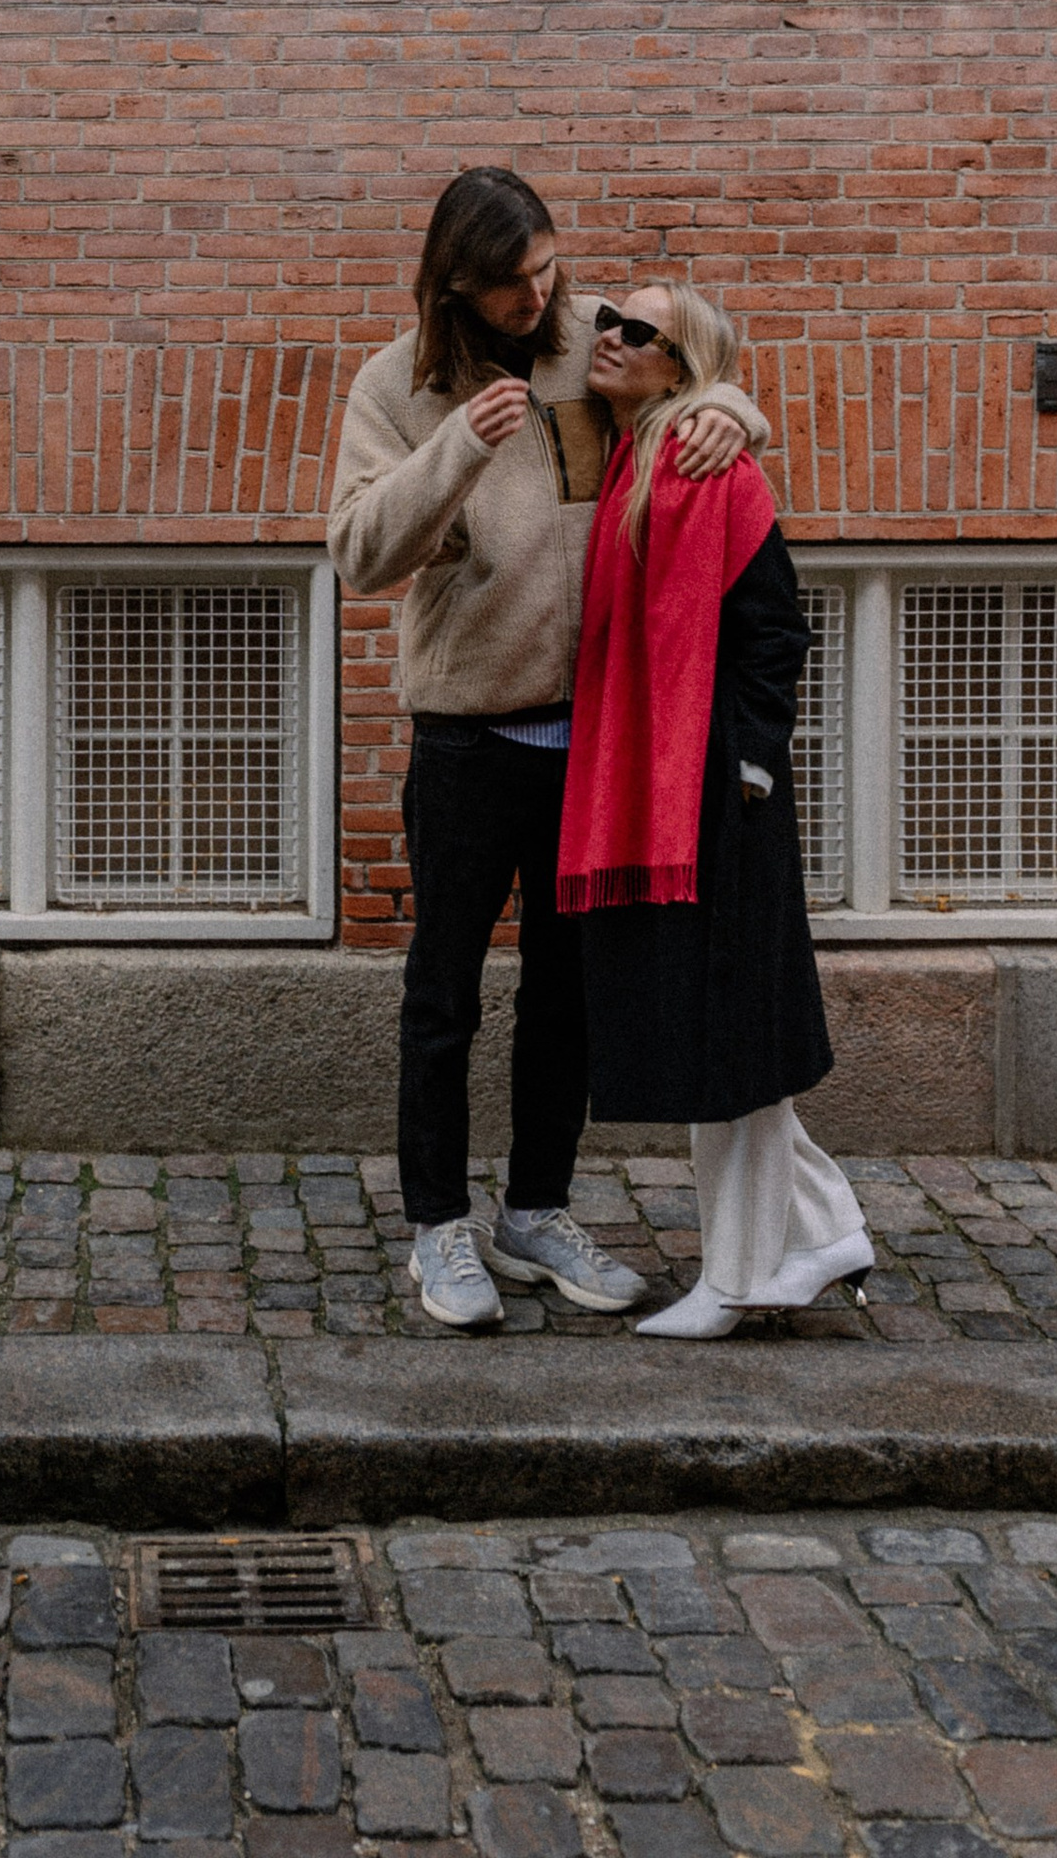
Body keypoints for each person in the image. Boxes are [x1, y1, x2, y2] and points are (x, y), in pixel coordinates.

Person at [328, 168, 770, 1332]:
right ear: (456, 284)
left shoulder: (588, 348)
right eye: (512, 283)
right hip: (469, 740)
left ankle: (535, 1209)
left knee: (564, 995)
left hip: (590, 745)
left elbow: (696, 373)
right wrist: (452, 451)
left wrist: (738, 412)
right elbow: (359, 552)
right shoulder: (396, 384)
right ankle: (439, 1225)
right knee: (444, 994)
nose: (539, 296)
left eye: (545, 268)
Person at [560, 280, 873, 1337]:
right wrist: (733, 398)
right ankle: (825, 1231)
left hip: (714, 794)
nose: (609, 334)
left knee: (730, 1041)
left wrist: (748, 773)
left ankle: (737, 1279)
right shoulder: (632, 455)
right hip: (660, 784)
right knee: (723, 1037)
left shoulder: (713, 469)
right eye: (608, 316)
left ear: (679, 366)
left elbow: (774, 632)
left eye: (637, 330)